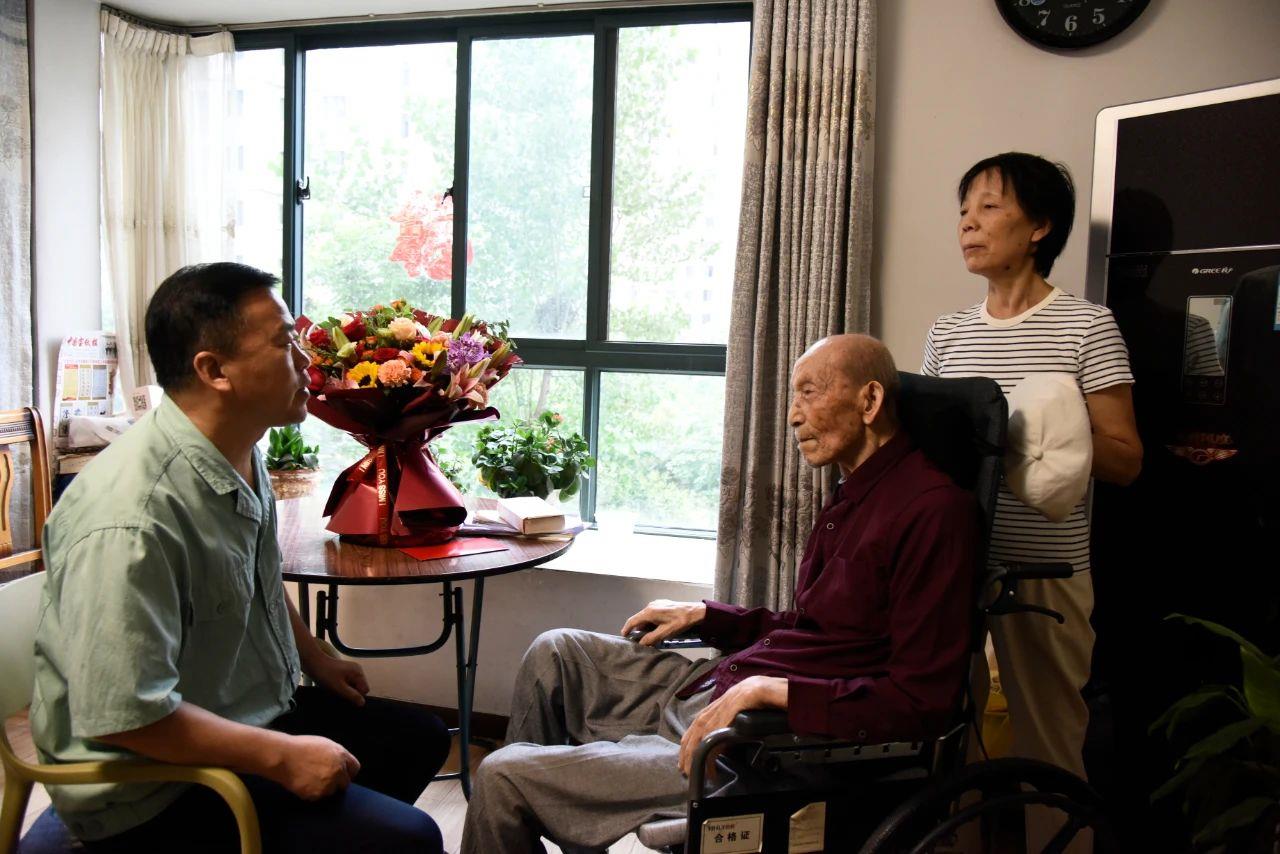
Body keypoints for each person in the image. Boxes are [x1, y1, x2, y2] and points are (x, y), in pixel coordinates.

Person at [462, 334, 979, 854]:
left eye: (809, 393)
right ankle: (565, 799)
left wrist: (772, 691)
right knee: (555, 652)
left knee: (503, 776)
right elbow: (814, 631)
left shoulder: (933, 513)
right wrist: (708, 615)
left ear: (869, 401)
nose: (793, 416)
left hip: (759, 747)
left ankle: (553, 790)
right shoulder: (852, 496)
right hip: (719, 688)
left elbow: (921, 703)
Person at [31, 263, 450, 853]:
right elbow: (124, 715)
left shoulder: (236, 454)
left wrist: (312, 654)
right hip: (149, 786)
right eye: (283, 343)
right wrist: (281, 757)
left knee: (420, 737)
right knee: (411, 838)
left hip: (240, 714)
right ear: (214, 370)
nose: (306, 361)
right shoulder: (131, 519)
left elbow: (255, 571)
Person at [922, 152, 1143, 851]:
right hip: (957, 567)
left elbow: (1126, 459)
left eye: (989, 207)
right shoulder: (948, 333)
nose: (968, 223)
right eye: (964, 210)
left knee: (1049, 743)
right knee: (946, 738)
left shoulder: (1087, 327)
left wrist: (1048, 429)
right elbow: (928, 453)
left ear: (1040, 226)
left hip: (1047, 574)